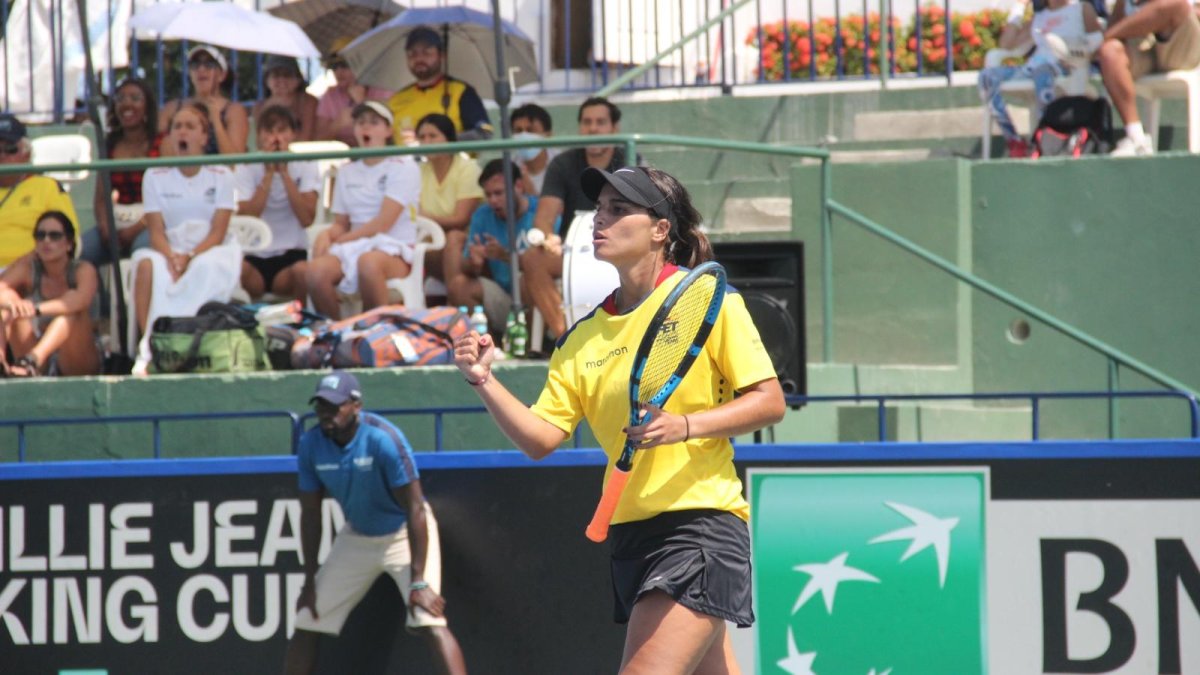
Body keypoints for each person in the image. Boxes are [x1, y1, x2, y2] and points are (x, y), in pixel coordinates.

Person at [453, 166, 785, 674]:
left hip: (699, 528)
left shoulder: (712, 303)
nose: (598, 220)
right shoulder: (581, 338)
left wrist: (686, 425)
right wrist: (483, 380)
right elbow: (540, 439)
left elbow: (769, 401)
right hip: (633, 538)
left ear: (659, 229)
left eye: (617, 208)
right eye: (598, 208)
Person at [283, 371, 467, 675]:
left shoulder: (383, 439)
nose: (325, 414)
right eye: (320, 407)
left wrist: (418, 581)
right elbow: (310, 514)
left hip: (403, 533)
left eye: (334, 406)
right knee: (307, 617)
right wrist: (309, 580)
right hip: (356, 536)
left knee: (427, 618)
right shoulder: (311, 444)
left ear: (356, 405)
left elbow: (415, 509)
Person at [133, 101, 242, 367]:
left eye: (190, 126)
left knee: (206, 266)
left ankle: (193, 345)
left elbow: (219, 231)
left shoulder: (222, 175)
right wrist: (172, 257)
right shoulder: (154, 176)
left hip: (209, 249)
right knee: (148, 265)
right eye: (177, 126)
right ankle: (152, 348)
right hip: (169, 248)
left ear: (204, 137)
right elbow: (156, 230)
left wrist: (191, 257)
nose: (182, 132)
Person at [523, 97, 635, 341]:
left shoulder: (631, 161)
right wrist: (547, 238)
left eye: (600, 122)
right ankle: (570, 340)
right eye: (586, 122)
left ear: (614, 129)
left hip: (620, 250)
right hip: (572, 254)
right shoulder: (562, 164)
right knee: (532, 259)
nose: (593, 128)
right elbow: (544, 217)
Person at [306, 102, 420, 320]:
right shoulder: (347, 171)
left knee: (368, 263)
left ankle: (374, 332)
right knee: (314, 271)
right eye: (360, 123)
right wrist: (328, 234)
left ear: (388, 131)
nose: (366, 128)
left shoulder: (404, 165)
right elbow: (341, 222)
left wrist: (340, 241)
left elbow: (383, 223)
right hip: (354, 247)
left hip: (395, 248)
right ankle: (336, 332)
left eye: (374, 123)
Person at [446, 159, 559, 335]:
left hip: (539, 297)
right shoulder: (483, 215)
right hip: (504, 297)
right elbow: (467, 266)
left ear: (519, 186)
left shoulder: (540, 213)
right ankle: (492, 348)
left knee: (526, 280)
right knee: (459, 285)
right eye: (488, 195)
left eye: (499, 193)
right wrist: (474, 262)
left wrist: (504, 255)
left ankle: (531, 348)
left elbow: (551, 262)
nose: (493, 200)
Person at [980, 0, 1104, 158]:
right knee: (987, 77)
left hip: (1065, 69)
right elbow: (1006, 45)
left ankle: (1045, 137)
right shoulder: (1039, 18)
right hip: (1032, 68)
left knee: (1043, 73)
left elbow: (1099, 42)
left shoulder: (1081, 9)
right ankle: (1014, 140)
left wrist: (1078, 57)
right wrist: (1019, 7)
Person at [0, 211, 100, 377]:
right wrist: (12, 303)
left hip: (78, 358)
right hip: (35, 359)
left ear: (69, 244)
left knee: (69, 313)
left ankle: (32, 359)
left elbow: (79, 301)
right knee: (8, 304)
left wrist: (35, 309)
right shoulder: (28, 268)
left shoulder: (83, 269)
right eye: (40, 236)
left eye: (54, 236)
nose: (46, 241)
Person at [235, 106, 319, 302]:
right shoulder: (245, 166)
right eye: (269, 131)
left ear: (292, 135)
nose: (275, 138)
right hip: (255, 257)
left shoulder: (306, 164)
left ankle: (302, 322)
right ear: (260, 136)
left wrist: (285, 173)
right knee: (233, 268)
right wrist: (269, 174)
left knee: (303, 271)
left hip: (291, 256)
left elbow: (307, 218)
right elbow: (248, 217)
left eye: (281, 130)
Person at [1097, 0, 1200, 155]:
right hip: (1143, 52)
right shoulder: (1122, 3)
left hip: (1183, 47)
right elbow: (1114, 31)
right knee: (1109, 51)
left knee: (1175, 4)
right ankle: (1136, 138)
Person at [83, 77, 160, 266]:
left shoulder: (161, 144)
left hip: (151, 221)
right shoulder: (109, 145)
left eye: (135, 98)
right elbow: (101, 198)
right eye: (121, 98)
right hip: (118, 220)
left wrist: (135, 229)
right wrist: (105, 227)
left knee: (142, 252)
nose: (127, 103)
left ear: (147, 107)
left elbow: (168, 197)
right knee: (82, 250)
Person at [386, 26, 492, 144]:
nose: (419, 58)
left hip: (455, 161)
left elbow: (484, 133)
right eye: (412, 54)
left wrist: (445, 140)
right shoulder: (397, 99)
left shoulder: (461, 91)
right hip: (404, 162)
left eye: (427, 53)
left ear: (442, 56)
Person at [0, 114, 78, 269]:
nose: (2, 155)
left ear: (26, 154)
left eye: (10, 149)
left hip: (31, 271)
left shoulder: (47, 187)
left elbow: (69, 237)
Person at [416, 113, 483, 293]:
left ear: (449, 139)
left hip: (466, 242)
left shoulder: (468, 168)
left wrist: (426, 218)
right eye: (422, 137)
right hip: (429, 242)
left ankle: (455, 303)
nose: (426, 142)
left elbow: (461, 219)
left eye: (433, 136)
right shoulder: (419, 171)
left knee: (453, 238)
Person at [159, 45, 250, 156]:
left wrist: (216, 121)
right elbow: (162, 155)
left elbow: (235, 161)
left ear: (222, 75)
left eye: (209, 65)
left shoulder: (233, 110)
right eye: (195, 65)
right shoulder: (171, 109)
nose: (201, 69)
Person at [315, 36, 394, 147]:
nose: (339, 72)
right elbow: (317, 141)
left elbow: (392, 132)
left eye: (344, 65)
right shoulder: (330, 96)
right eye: (334, 67)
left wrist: (363, 102)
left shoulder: (382, 90)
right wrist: (336, 125)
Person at [252, 56, 319, 143]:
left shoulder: (309, 102)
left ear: (298, 80)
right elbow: (260, 141)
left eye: (287, 75)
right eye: (276, 75)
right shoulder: (259, 107)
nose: (281, 80)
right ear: (267, 80)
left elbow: (306, 137)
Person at [510, 103, 558, 195]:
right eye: (518, 131)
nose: (524, 136)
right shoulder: (507, 168)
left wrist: (531, 194)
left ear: (548, 135)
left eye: (530, 130)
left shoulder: (563, 165)